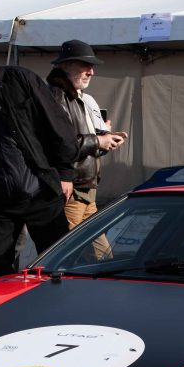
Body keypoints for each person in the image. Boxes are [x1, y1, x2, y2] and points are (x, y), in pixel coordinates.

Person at [0, 41, 78, 279]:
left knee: (56, 264)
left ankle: (61, 312)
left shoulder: (18, 80)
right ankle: (2, 314)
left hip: (39, 191)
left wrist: (65, 173)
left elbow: (58, 125)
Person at [46, 39, 127, 232]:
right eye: (85, 65)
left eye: (92, 66)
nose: (91, 72)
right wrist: (99, 140)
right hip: (72, 190)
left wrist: (105, 138)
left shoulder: (76, 95)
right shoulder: (58, 97)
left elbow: (77, 135)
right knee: (68, 253)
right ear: (65, 66)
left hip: (84, 189)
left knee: (100, 254)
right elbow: (61, 143)